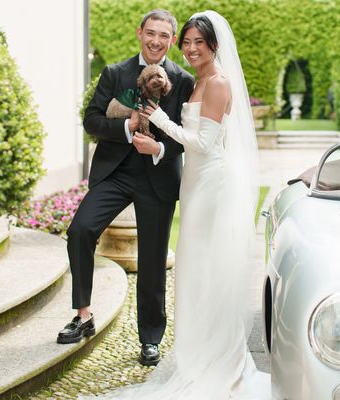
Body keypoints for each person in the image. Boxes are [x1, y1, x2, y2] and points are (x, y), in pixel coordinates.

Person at [83, 10, 270, 400]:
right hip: (195, 184)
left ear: (214, 45)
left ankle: (218, 357)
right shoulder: (197, 80)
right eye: (186, 42)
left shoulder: (216, 84)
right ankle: (193, 351)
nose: (190, 48)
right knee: (192, 268)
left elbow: (203, 143)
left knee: (208, 268)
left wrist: (158, 125)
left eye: (198, 42)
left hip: (213, 186)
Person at [56, 9, 195, 368]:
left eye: (164, 36)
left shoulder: (183, 81)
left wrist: (161, 148)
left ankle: (150, 338)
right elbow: (91, 119)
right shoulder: (115, 73)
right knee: (80, 230)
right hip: (115, 173)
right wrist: (126, 127)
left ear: (171, 41)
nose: (156, 41)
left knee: (152, 260)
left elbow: (189, 136)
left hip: (158, 176)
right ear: (139, 33)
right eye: (151, 33)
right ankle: (83, 315)